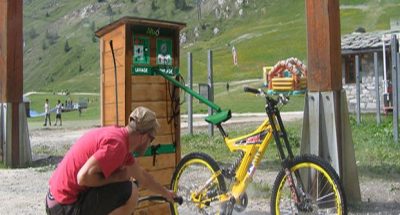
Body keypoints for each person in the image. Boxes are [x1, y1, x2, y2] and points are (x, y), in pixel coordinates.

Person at [45, 106, 176, 215]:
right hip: (63, 206)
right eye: (151, 139)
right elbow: (82, 177)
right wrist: (116, 178)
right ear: (143, 137)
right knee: (131, 190)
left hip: (55, 200)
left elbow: (142, 176)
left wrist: (166, 193)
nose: (150, 144)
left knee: (128, 184)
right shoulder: (117, 146)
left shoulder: (121, 140)